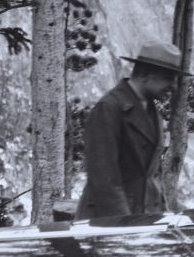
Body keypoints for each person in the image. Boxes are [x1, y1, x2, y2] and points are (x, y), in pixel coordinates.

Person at [75, 41, 182, 220]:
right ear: (146, 74)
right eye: (168, 78)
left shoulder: (152, 111)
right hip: (108, 223)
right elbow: (105, 182)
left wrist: (162, 217)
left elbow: (153, 177)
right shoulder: (109, 108)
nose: (173, 86)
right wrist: (126, 228)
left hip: (142, 221)